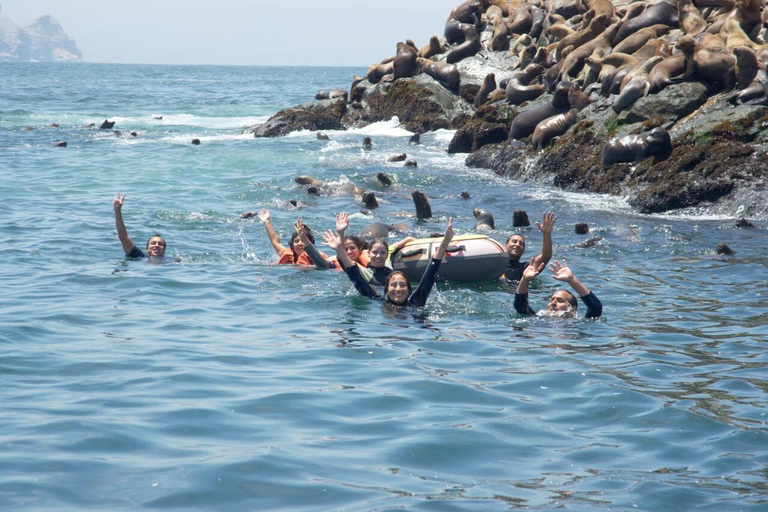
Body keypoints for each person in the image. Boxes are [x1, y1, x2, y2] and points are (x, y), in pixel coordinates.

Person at [324, 217, 455, 307]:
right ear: (386, 289)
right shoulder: (377, 300)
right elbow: (355, 275)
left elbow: (430, 274)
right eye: (394, 285)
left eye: (402, 285)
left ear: (409, 289)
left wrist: (445, 243)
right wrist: (339, 248)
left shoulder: (417, 301)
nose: (398, 289)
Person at [514, 258, 602, 319]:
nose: (553, 303)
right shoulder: (539, 319)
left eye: (560, 301)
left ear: (573, 309)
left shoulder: (576, 324)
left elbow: (596, 307)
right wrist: (524, 279)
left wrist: (572, 280)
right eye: (552, 300)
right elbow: (520, 306)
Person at [503, 212, 557, 284]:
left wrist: (546, 234)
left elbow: (546, 256)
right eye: (514, 241)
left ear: (523, 249)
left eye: (521, 244)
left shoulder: (527, 268)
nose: (517, 244)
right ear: (505, 245)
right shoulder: (494, 264)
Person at [258, 209, 325, 265]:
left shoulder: (317, 258)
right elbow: (276, 241)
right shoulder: (288, 254)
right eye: (296, 241)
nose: (299, 243)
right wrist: (267, 221)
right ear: (292, 245)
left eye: (303, 240)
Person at [113, 192, 166, 259]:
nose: (156, 245)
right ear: (147, 249)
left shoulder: (172, 261)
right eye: (153, 243)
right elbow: (123, 237)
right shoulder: (139, 256)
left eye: (160, 244)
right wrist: (117, 210)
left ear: (164, 250)